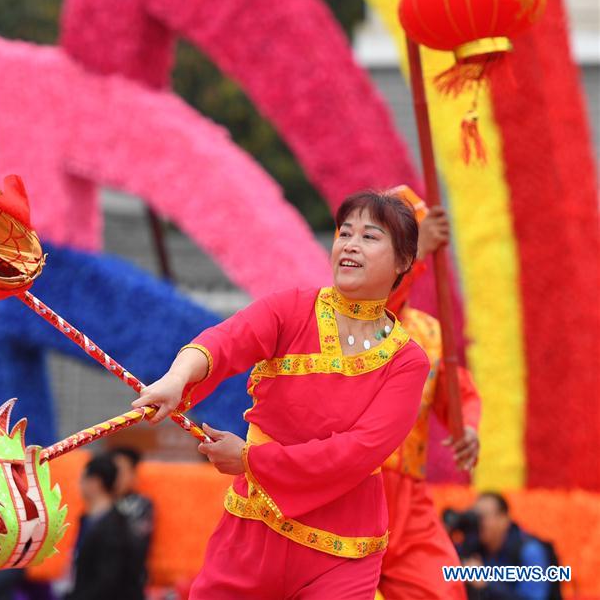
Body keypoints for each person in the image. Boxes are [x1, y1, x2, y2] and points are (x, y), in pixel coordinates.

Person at [134, 190, 430, 599]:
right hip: (252, 533)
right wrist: (176, 378)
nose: (350, 244)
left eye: (370, 236)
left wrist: (249, 460)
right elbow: (226, 341)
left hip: (340, 554)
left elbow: (359, 451)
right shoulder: (291, 309)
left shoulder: (407, 361)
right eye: (345, 233)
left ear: (403, 261)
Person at [376, 196, 482, 600]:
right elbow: (374, 301)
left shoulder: (428, 333)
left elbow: (461, 395)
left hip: (408, 502)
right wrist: (418, 252)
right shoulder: (342, 317)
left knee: (442, 590)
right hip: (349, 490)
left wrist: (467, 428)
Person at [66, 455, 143, 600]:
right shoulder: (89, 520)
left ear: (95, 483)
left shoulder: (114, 529)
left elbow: (107, 582)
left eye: (82, 478)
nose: (79, 484)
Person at [465, 493, 558, 600]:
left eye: (484, 516)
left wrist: (487, 584)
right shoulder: (474, 547)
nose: (478, 523)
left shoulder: (529, 550)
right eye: (475, 516)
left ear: (504, 519)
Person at [108, 446, 154, 585]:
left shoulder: (142, 505)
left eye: (121, 471)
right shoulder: (101, 502)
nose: (116, 476)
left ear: (133, 475)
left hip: (128, 581)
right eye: (112, 471)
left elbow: (136, 546)